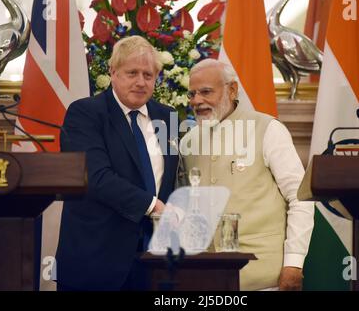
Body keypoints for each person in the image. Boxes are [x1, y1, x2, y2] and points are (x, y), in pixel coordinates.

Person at [55, 36, 179, 291]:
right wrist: (153, 206)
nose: (141, 82)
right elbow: (96, 177)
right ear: (113, 72)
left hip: (156, 262)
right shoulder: (85, 113)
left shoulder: (169, 118)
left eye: (148, 74)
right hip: (96, 261)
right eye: (132, 72)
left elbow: (174, 177)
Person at [180, 59, 314, 291]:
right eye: (192, 94)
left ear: (232, 90)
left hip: (264, 279)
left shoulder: (268, 129)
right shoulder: (188, 141)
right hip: (206, 281)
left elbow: (300, 198)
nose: (197, 100)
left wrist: (294, 263)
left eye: (206, 92)